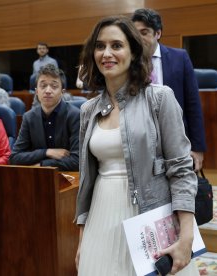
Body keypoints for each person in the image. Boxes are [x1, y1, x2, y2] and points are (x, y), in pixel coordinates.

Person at [75, 16, 198, 276]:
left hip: (151, 215)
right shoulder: (88, 110)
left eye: (116, 46)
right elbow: (87, 179)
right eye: (100, 46)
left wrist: (186, 235)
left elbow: (181, 168)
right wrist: (82, 236)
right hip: (101, 215)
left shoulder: (159, 98)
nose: (107, 53)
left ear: (133, 52)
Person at [132, 8, 206, 171]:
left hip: (177, 135)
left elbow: (192, 104)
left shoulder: (180, 57)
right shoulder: (129, 61)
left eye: (144, 32)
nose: (139, 38)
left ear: (158, 33)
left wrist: (198, 148)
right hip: (143, 138)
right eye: (135, 33)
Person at [10, 64, 79, 171]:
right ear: (37, 91)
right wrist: (46, 152)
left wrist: (42, 165)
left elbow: (77, 161)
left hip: (69, 179)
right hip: (39, 178)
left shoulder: (75, 115)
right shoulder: (29, 117)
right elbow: (15, 157)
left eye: (54, 86)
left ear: (62, 92)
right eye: (43, 86)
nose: (48, 90)